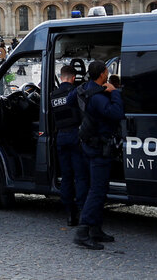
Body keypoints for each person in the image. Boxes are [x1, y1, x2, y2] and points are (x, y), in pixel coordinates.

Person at [72, 60, 123, 250]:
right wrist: (115, 93)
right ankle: (83, 231)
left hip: (88, 144)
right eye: (107, 71)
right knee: (97, 190)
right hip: (99, 148)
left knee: (97, 188)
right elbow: (116, 113)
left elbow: (70, 101)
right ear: (102, 74)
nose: (108, 73)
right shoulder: (99, 95)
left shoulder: (84, 89)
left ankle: (95, 229)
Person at [50, 64, 87, 227]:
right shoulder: (74, 92)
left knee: (66, 176)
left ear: (61, 75)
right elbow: (83, 114)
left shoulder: (53, 95)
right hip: (74, 135)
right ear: (73, 78)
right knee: (80, 176)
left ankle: (70, 213)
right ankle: (81, 210)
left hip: (61, 137)